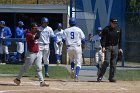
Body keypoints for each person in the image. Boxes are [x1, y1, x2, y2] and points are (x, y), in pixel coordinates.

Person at [14, 22, 49, 87]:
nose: (36, 29)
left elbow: (37, 36)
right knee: (26, 68)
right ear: (31, 28)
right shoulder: (28, 34)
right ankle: (17, 79)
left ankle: (42, 82)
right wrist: (38, 32)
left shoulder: (34, 33)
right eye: (35, 28)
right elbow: (36, 37)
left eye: (36, 28)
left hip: (38, 53)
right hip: (31, 54)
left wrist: (38, 32)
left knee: (39, 68)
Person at [97, 18, 123, 82]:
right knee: (107, 61)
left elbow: (120, 40)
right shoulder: (106, 29)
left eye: (116, 23)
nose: (115, 24)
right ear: (110, 23)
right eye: (113, 23)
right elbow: (103, 39)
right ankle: (100, 76)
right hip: (108, 47)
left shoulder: (118, 29)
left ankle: (112, 77)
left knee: (113, 63)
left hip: (115, 47)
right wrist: (103, 47)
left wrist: (120, 48)